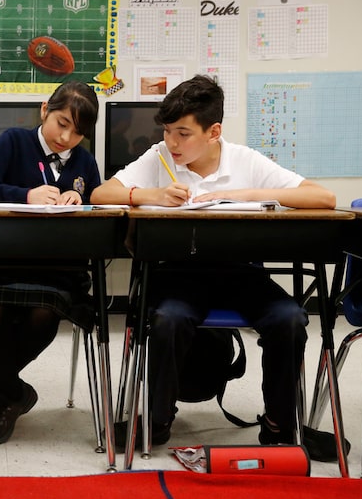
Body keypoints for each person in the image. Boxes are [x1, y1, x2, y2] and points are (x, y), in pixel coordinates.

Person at [89, 74, 345, 460]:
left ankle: (278, 424)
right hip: (178, 274)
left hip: (241, 274)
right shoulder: (159, 157)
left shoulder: (244, 159)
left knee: (289, 319)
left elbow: (323, 198)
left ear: (214, 132)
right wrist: (149, 194)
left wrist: (241, 194)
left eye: (183, 133)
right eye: (168, 132)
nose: (172, 143)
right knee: (168, 319)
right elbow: (100, 193)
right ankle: (157, 421)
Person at [0, 80, 101, 445]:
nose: (67, 137)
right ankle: (13, 393)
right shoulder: (13, 142)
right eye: (62, 123)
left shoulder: (85, 162)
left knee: (44, 315)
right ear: (44, 110)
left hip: (56, 270)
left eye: (78, 132)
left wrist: (79, 198)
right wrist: (25, 194)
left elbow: (97, 206)